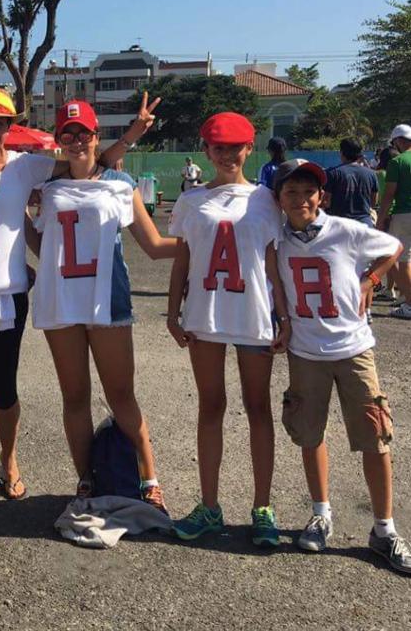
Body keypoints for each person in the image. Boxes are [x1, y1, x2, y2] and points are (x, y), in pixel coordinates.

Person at [0, 86, 159, 506]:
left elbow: (89, 164)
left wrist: (130, 136)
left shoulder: (28, 167)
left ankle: (12, 461)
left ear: (9, 127)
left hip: (9, 292)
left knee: (5, 388)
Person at [30, 100, 176, 507]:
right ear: (59, 139)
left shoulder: (119, 183)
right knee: (74, 396)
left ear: (96, 136)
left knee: (121, 395)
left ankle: (149, 478)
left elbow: (153, 245)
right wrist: (21, 222)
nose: (77, 139)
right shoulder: (47, 185)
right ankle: (85, 478)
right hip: (61, 301)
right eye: (68, 133)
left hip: (107, 299)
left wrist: (207, 243)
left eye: (84, 133)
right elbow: (44, 243)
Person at [272, 159, 410, 573]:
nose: (300, 199)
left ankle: (384, 529)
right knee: (309, 433)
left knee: (375, 436)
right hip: (305, 351)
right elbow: (275, 283)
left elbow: (393, 247)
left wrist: (371, 280)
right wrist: (282, 321)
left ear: (322, 196)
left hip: (353, 348)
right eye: (291, 192)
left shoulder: (345, 230)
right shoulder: (277, 239)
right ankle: (321, 513)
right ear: (279, 199)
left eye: (308, 191)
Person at [166, 112, 291, 547]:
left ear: (249, 149)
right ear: (206, 150)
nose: (227, 154)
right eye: (218, 147)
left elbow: (272, 263)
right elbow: (182, 259)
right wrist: (171, 313)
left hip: (252, 316)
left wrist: (284, 317)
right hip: (205, 315)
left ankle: (263, 507)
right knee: (210, 406)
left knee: (258, 408)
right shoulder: (191, 200)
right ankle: (209, 505)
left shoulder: (266, 199)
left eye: (235, 147)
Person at [376, 125, 411, 319]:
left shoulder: (397, 162)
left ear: (398, 141)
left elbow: (389, 195)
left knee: (399, 259)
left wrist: (380, 219)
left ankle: (410, 304)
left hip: (404, 214)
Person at [324, 138, 379, 227]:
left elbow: (326, 202)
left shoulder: (332, 173)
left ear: (341, 152)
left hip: (340, 225)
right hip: (364, 225)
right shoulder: (371, 174)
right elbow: (373, 202)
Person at [374, 147, 400, 302]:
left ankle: (398, 290)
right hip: (398, 214)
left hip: (385, 215)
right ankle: (391, 289)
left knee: (387, 256)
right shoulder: (400, 174)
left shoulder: (379, 175)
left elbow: (377, 197)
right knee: (397, 254)